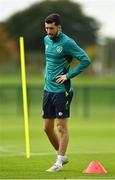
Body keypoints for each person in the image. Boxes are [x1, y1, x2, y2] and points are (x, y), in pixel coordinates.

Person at [42, 13, 92, 172]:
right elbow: (51, 61)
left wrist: (68, 75)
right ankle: (62, 155)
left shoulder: (67, 42)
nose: (49, 31)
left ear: (59, 27)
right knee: (47, 128)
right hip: (47, 89)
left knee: (61, 126)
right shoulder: (46, 39)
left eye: (51, 28)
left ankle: (58, 163)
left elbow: (86, 60)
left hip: (61, 91)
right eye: (46, 28)